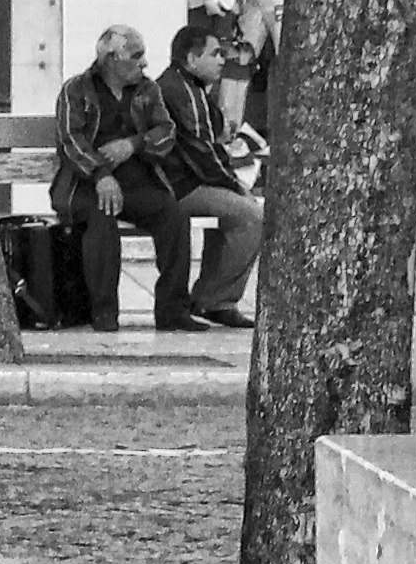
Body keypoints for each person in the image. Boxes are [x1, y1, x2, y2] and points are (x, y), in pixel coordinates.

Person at [46, 24, 207, 330]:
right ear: (111, 59)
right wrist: (101, 175)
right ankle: (104, 311)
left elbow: (166, 131)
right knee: (101, 216)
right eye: (136, 56)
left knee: (173, 215)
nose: (145, 63)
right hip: (85, 185)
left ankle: (173, 310)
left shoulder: (148, 90)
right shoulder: (76, 90)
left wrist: (132, 144)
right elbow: (70, 140)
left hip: (136, 184)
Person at [146, 17, 264, 328]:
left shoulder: (190, 87)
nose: (222, 61)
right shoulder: (180, 91)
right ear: (191, 59)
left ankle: (213, 298)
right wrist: (235, 185)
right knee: (250, 215)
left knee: (237, 213)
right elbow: (202, 150)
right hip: (176, 188)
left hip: (186, 183)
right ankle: (214, 299)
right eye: (214, 54)